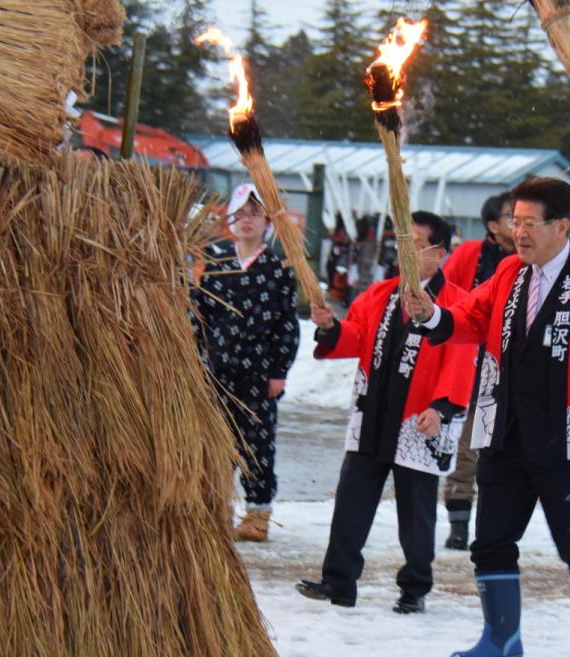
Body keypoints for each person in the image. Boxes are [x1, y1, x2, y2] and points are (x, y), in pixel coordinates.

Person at [405, 177, 570, 657]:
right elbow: (468, 316)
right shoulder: (511, 272)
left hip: (564, 436)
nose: (519, 232)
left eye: (530, 222)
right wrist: (432, 316)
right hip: (505, 428)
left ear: (562, 225)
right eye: (515, 221)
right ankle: (502, 637)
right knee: (491, 538)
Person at [296, 212, 477, 614]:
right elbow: (356, 338)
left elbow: (462, 357)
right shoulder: (379, 295)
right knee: (352, 498)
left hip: (419, 419)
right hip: (374, 411)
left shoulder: (456, 303)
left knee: (416, 511)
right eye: (402, 242)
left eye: (416, 244)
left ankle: (414, 587)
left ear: (439, 253)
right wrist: (329, 328)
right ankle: (338, 580)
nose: (405, 251)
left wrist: (442, 407)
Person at [190, 183, 299, 542]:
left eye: (254, 214)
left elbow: (286, 322)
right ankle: (215, 506)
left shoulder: (279, 265)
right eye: (240, 213)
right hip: (218, 366)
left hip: (257, 370)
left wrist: (278, 370)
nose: (246, 220)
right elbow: (201, 311)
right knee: (215, 439)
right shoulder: (218, 257)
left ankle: (257, 513)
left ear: (267, 220)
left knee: (256, 441)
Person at [440, 191, 516, 550]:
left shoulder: (529, 258)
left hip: (514, 369)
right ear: (492, 225)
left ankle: (496, 524)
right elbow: (446, 296)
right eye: (511, 217)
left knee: (503, 454)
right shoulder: (472, 254)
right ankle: (459, 524)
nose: (518, 224)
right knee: (471, 449)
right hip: (475, 364)